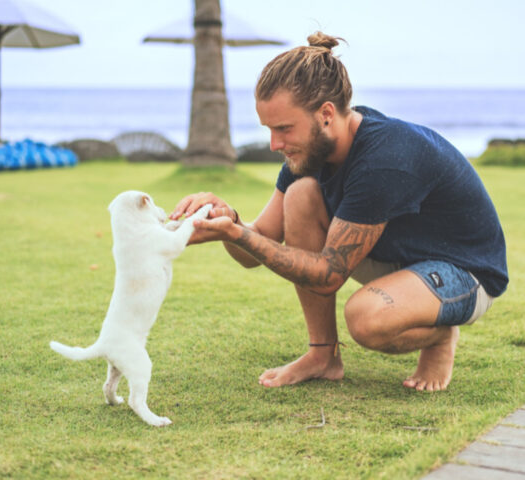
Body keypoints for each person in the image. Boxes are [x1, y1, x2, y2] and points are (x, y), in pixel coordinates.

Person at [170, 32, 508, 392]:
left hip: (464, 272)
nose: (274, 144)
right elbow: (259, 244)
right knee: (300, 195)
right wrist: (229, 219)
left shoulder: (384, 158)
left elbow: (329, 274)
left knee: (366, 320)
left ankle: (439, 338)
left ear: (326, 114)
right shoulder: (309, 152)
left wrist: (238, 234)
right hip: (396, 258)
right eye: (269, 130)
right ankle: (323, 356)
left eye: (284, 128)